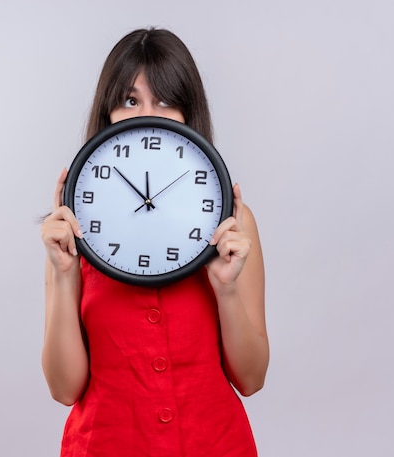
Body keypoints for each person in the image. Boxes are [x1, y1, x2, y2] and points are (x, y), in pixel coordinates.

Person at [40, 28, 269, 457]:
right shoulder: (74, 227)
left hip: (212, 444)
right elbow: (64, 388)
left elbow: (252, 378)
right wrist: (64, 274)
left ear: (188, 113)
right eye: (130, 101)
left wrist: (227, 288)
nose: (148, 114)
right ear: (107, 113)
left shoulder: (233, 224)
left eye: (165, 100)